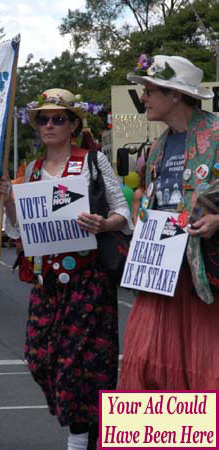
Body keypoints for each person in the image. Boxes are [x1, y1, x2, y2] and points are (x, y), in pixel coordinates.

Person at [0, 89, 132, 450]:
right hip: (48, 281)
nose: (50, 124)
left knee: (82, 361)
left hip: (88, 278)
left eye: (58, 118)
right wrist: (9, 201)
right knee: (39, 355)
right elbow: (18, 229)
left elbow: (123, 212)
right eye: (43, 118)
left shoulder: (92, 161)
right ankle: (87, 423)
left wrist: (103, 224)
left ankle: (80, 433)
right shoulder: (33, 170)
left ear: (73, 123)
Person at [118, 55, 218, 390]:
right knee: (148, 362)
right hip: (162, 272)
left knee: (204, 369)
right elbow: (152, 196)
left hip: (204, 278)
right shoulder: (159, 144)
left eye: (149, 89)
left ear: (175, 94)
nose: (143, 97)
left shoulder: (216, 135)